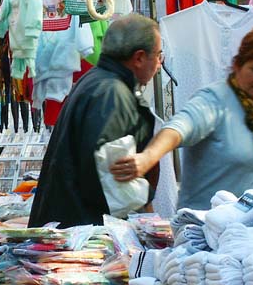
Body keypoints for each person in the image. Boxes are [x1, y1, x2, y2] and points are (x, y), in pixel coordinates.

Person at [111, 26, 253, 210]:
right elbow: (178, 128)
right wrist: (147, 158)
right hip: (204, 229)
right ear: (238, 65)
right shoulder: (214, 100)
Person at [29, 13, 162, 227]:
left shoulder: (97, 80)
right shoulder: (111, 94)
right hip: (82, 232)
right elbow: (108, 181)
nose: (158, 63)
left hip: (70, 223)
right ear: (138, 58)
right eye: (158, 55)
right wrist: (146, 196)